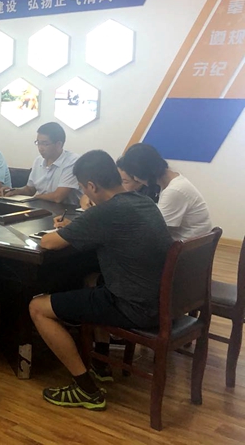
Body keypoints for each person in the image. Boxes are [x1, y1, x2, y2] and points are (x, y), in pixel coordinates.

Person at [29, 150, 172, 411]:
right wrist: (77, 228)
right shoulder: (143, 201)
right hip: (160, 299)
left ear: (92, 186)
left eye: (83, 188)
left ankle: (86, 389)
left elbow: (48, 242)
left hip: (134, 306)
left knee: (38, 307)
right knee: (91, 279)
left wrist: (67, 229)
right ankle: (101, 363)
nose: (84, 193)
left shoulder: (107, 212)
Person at [117, 143, 212, 241]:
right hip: (192, 242)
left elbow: (156, 230)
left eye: (135, 175)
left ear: (144, 172)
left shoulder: (174, 191)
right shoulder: (173, 181)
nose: (136, 179)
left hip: (187, 245)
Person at [0, 122, 80, 205]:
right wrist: (14, 191)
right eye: (38, 143)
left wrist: (37, 197)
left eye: (45, 144)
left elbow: (58, 197)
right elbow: (30, 190)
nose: (40, 148)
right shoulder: (38, 160)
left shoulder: (72, 161)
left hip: (67, 210)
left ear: (58, 144)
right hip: (42, 207)